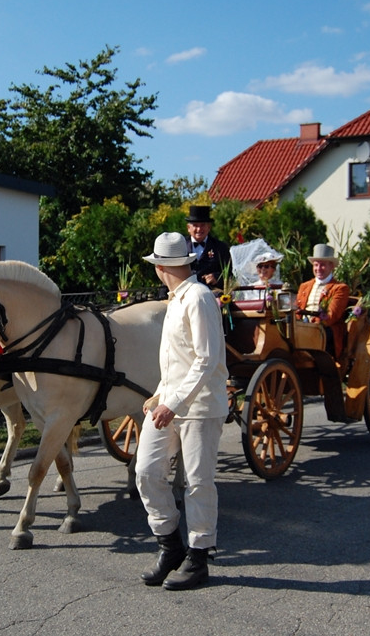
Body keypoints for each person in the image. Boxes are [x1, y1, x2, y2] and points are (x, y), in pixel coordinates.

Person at [137, 232, 229, 591]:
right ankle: (170, 545)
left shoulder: (200, 298)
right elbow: (177, 359)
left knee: (198, 482)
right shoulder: (176, 300)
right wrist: (160, 395)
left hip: (200, 407)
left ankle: (199, 557)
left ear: (161, 267)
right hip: (170, 404)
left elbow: (207, 359)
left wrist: (171, 404)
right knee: (146, 471)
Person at [295, 244, 351, 359]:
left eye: (322, 265)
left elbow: (331, 316)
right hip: (302, 326)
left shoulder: (340, 288)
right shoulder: (304, 286)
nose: (318, 269)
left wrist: (311, 324)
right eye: (316, 265)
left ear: (331, 266)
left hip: (325, 328)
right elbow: (297, 309)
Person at [185, 205, 231, 290]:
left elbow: (230, 276)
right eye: (195, 225)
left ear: (209, 227)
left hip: (212, 295)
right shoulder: (180, 246)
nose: (199, 229)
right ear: (188, 228)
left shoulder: (220, 248)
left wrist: (217, 278)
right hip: (185, 295)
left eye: (202, 225)